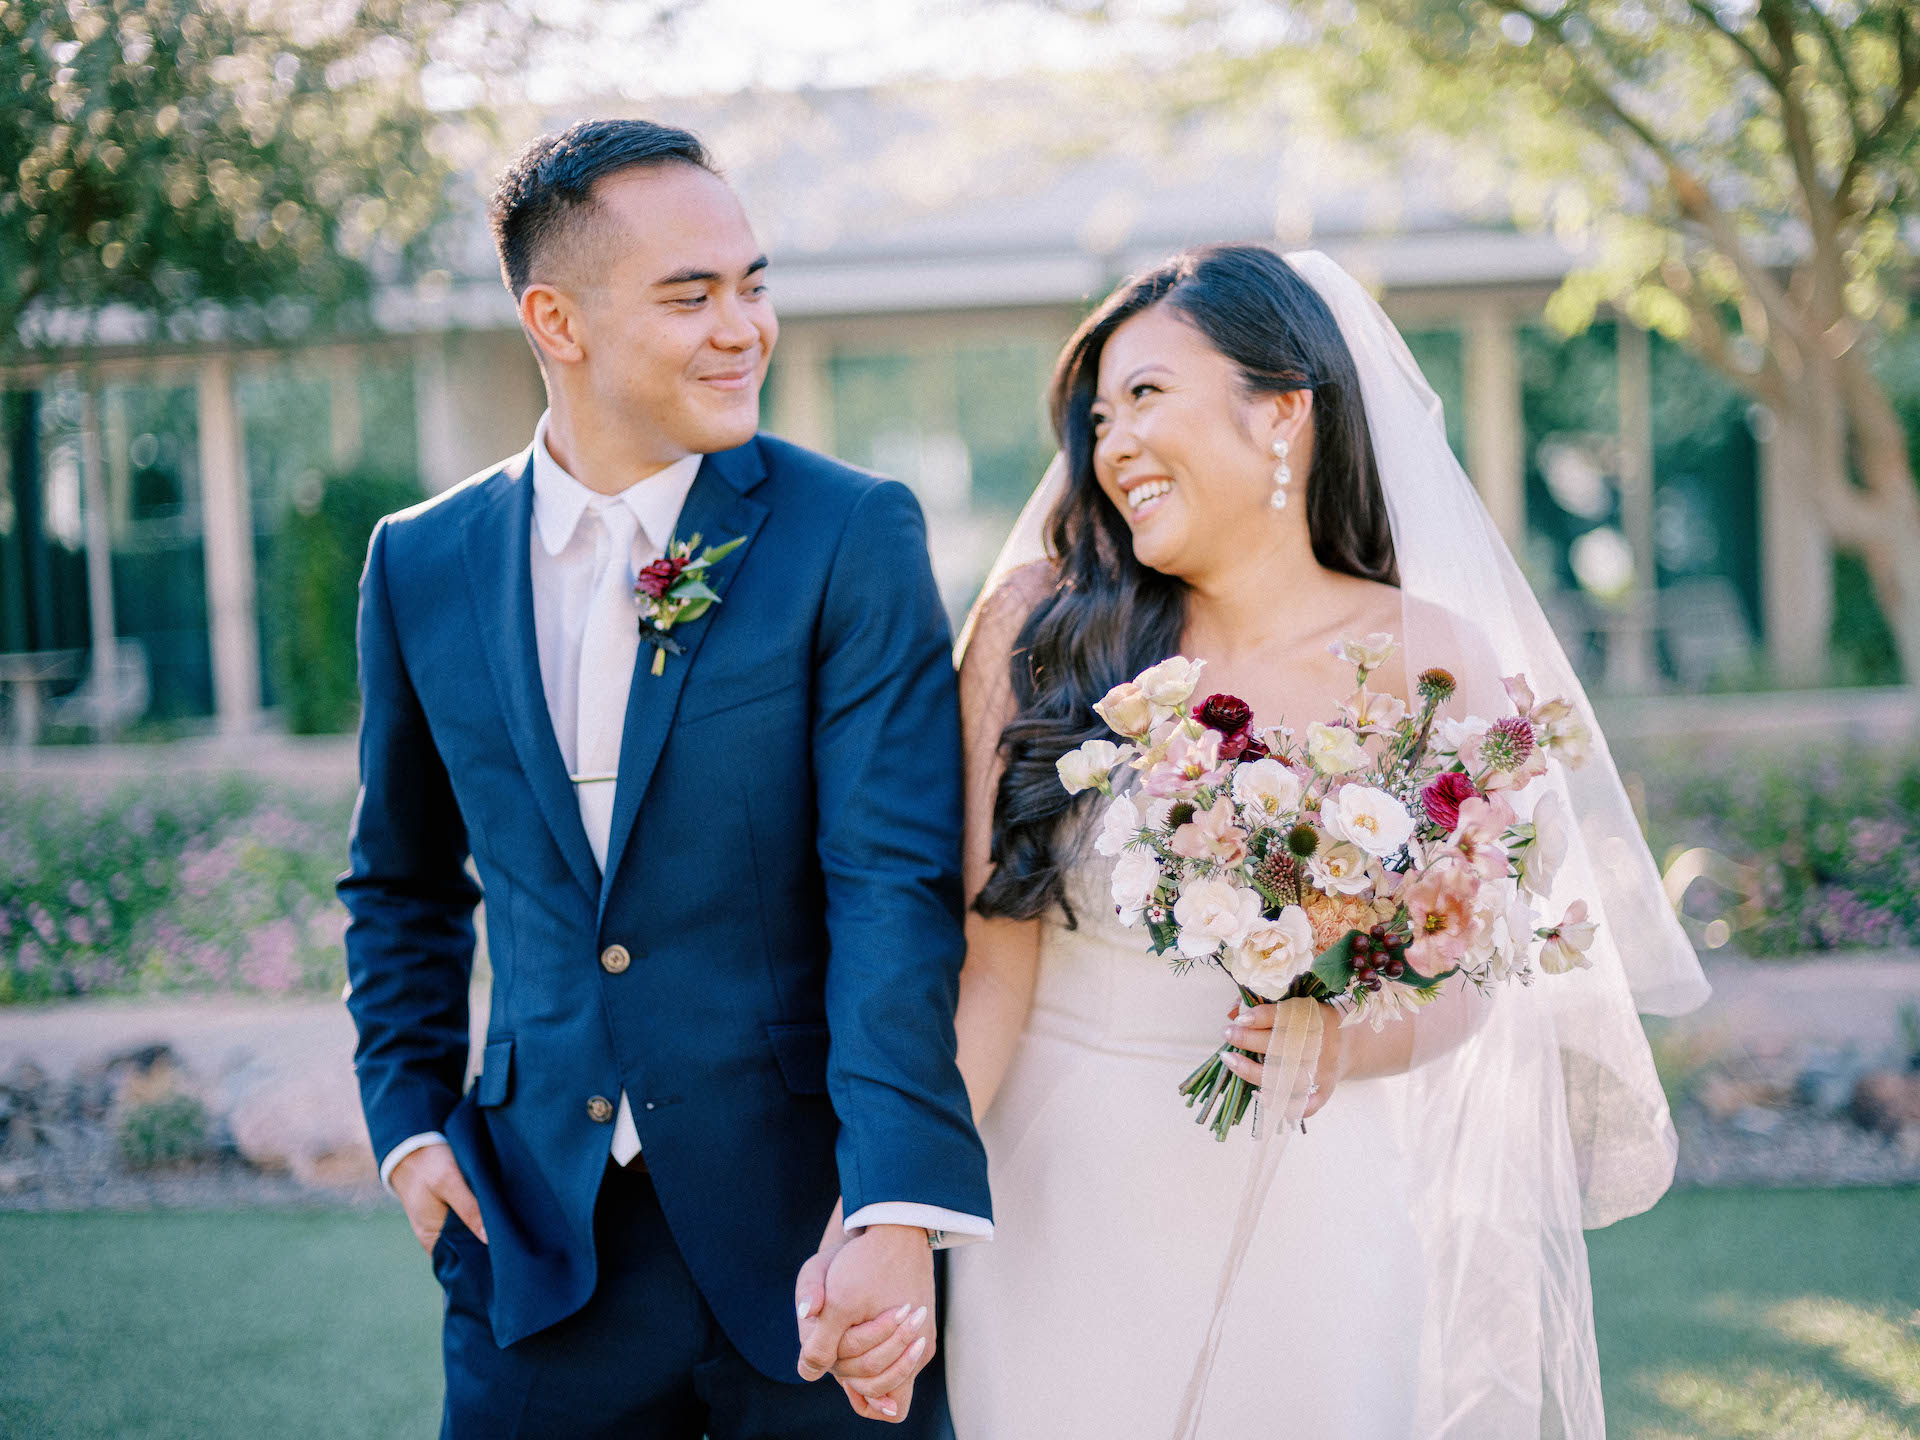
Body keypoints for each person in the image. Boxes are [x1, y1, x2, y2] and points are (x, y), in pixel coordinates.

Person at [888, 244, 1708, 1438]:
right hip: (1060, 1189)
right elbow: (987, 969)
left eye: (1148, 396)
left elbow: (1467, 973)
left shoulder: (1431, 660)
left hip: (1317, 1194)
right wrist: (896, 1208)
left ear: (1282, 412)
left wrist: (1343, 1040)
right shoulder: (1042, 631)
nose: (1114, 445)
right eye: (1100, 417)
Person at [339, 118, 990, 1439]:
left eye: (753, 285)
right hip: (534, 1242)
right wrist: (407, 1127)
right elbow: (402, 881)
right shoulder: (420, 562)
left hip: (808, 1236)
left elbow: (892, 888)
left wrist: (891, 1207)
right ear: (556, 320)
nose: (742, 329)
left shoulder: (848, 533)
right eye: (690, 297)